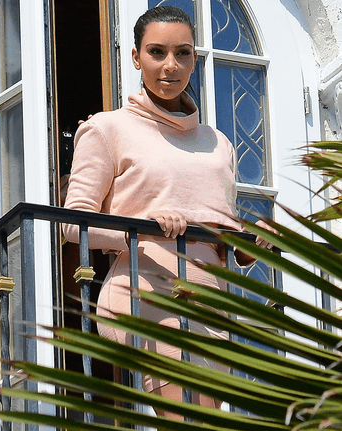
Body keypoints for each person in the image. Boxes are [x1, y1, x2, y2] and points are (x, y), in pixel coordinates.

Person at [62, 5, 274, 419]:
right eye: (157, 52)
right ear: (136, 57)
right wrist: (144, 227)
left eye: (183, 53)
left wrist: (253, 241)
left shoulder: (219, 143)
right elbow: (75, 223)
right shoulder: (107, 128)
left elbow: (216, 227)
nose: (170, 65)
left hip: (212, 301)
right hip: (147, 291)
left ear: (195, 59)